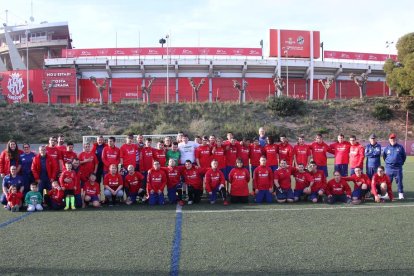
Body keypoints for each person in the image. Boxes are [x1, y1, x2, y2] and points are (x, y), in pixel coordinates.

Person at [383, 133, 406, 200]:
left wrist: (400, 163)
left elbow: (404, 157)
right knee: (388, 181)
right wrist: (389, 163)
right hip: (389, 168)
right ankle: (387, 194)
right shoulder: (387, 148)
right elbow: (384, 157)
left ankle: (400, 194)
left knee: (399, 181)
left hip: (398, 167)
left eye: (393, 138)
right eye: (391, 138)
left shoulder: (400, 147)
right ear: (389, 139)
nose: (392, 139)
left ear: (396, 139)